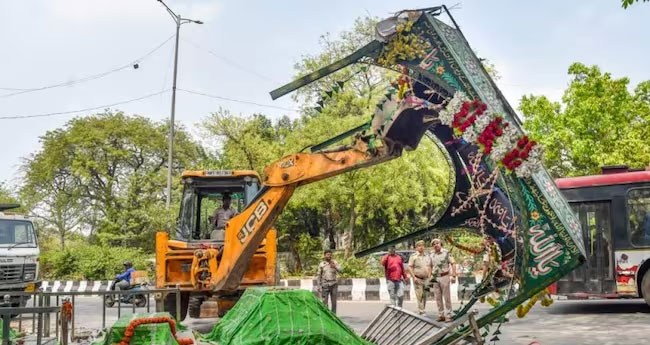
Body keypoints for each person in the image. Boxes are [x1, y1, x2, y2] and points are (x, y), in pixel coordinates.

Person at [430, 238, 456, 322]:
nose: (436, 245)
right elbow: (429, 266)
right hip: (435, 277)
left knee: (447, 297)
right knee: (437, 297)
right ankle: (441, 315)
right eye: (434, 244)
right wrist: (430, 275)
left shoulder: (446, 253)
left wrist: (454, 275)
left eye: (437, 243)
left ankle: (449, 315)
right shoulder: (431, 254)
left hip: (445, 276)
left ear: (440, 244)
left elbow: (453, 263)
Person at [408, 240, 432, 315]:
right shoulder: (413, 256)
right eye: (419, 246)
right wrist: (414, 277)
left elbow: (430, 266)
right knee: (419, 295)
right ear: (416, 247)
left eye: (422, 245)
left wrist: (430, 276)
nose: (421, 247)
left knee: (425, 295)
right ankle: (421, 311)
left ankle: (422, 309)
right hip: (417, 278)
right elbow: (410, 267)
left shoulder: (427, 256)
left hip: (426, 278)